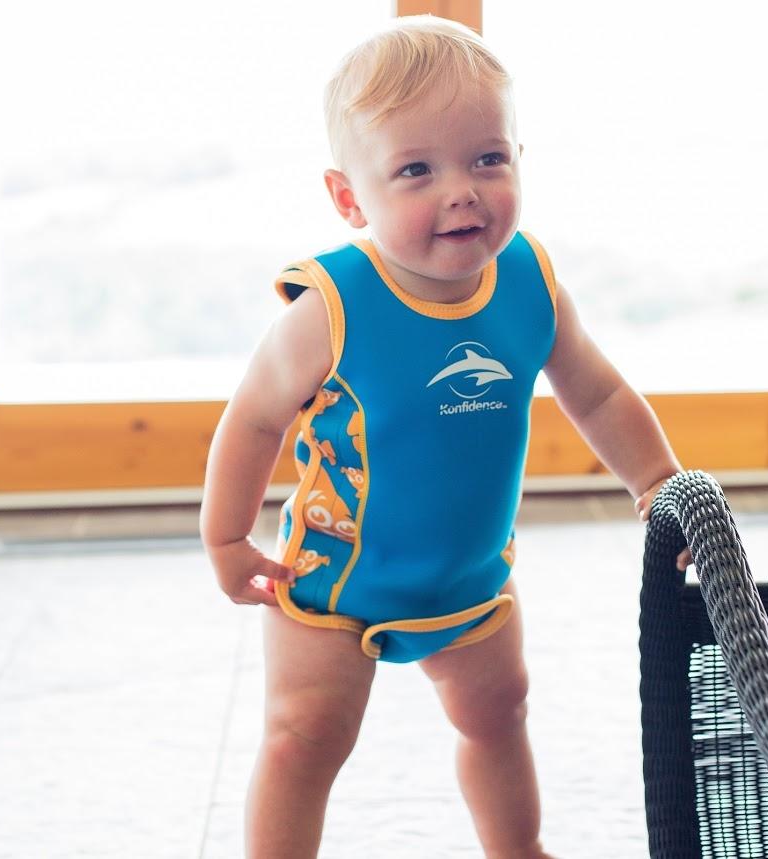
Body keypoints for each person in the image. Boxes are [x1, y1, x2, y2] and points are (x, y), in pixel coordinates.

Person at [200, 15, 689, 858]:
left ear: (518, 159)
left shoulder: (529, 279)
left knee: (498, 715)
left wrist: (656, 481)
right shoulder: (331, 306)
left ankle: (518, 847)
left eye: (487, 159)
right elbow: (252, 418)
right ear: (350, 198)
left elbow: (597, 391)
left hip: (470, 577)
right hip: (335, 576)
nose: (461, 190)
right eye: (416, 170)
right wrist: (226, 534)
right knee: (302, 737)